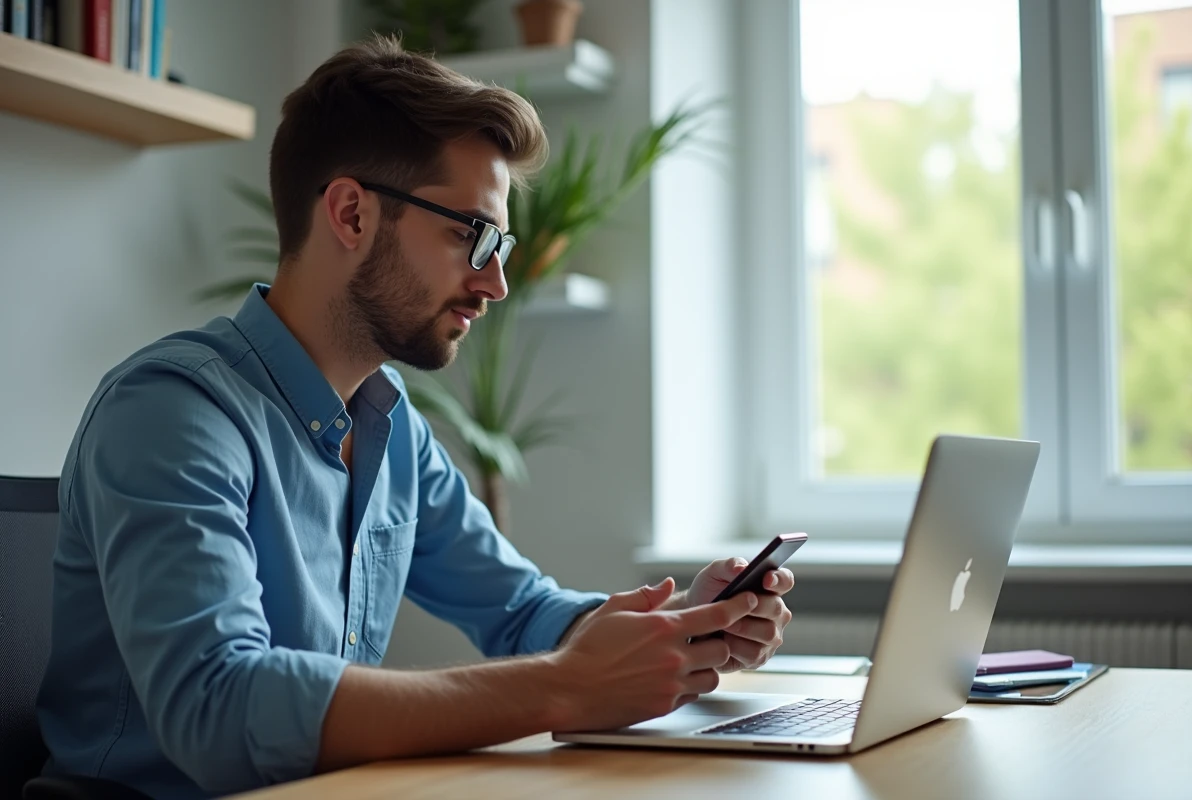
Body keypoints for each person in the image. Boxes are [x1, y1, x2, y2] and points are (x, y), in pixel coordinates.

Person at [36, 35, 795, 799]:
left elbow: (525, 609)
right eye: (472, 235)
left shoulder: (391, 430)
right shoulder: (172, 414)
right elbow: (219, 711)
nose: (495, 282)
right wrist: (563, 688)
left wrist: (679, 630)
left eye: (499, 244)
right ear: (351, 214)